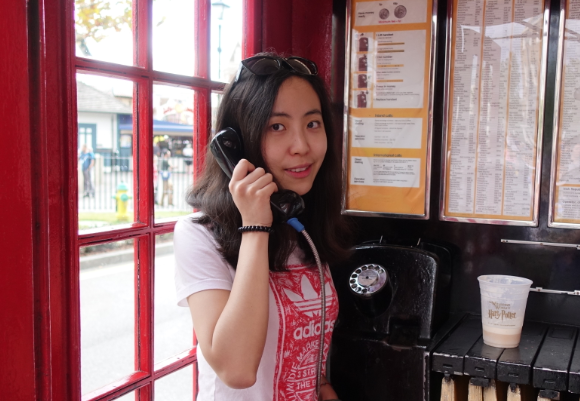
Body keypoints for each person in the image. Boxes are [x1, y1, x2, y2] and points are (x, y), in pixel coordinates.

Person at [174, 53, 353, 400]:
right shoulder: (198, 235)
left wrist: (321, 387)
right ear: (236, 143)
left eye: (312, 124)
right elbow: (237, 370)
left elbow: (303, 355)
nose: (302, 146)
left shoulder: (303, 224)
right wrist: (255, 225)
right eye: (277, 127)